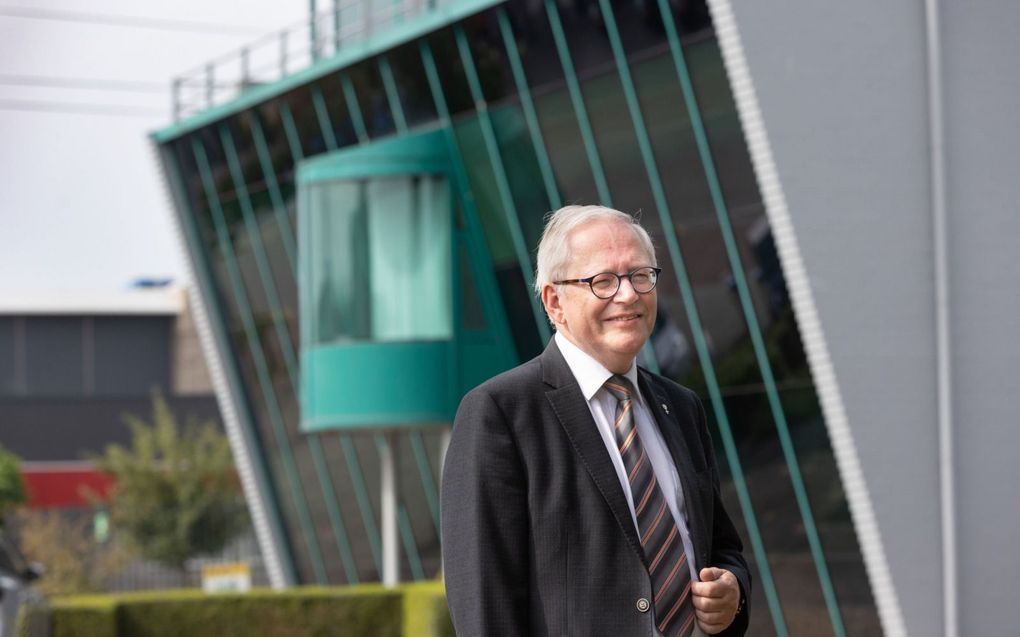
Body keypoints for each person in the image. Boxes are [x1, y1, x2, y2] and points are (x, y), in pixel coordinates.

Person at [442, 205, 750, 636]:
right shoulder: (500, 414)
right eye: (602, 281)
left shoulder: (681, 407)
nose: (628, 295)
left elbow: (721, 546)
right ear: (554, 302)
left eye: (640, 276)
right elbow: (484, 602)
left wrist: (733, 589)